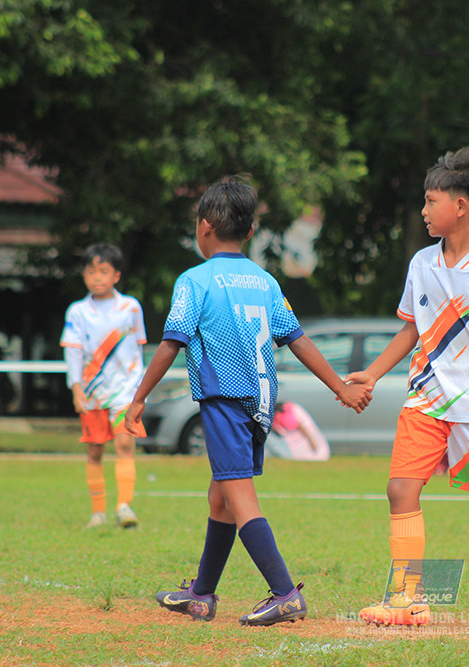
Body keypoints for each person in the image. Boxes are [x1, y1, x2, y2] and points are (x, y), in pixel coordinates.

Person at [123, 177, 371, 628]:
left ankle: (284, 593)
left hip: (224, 399)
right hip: (261, 401)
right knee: (221, 497)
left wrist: (139, 398)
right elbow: (297, 339)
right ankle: (201, 595)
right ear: (250, 232)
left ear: (203, 227)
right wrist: (340, 386)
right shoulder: (265, 281)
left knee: (239, 498)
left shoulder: (194, 280)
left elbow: (169, 344)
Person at [347, 147, 469, 634]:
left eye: (430, 201)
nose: (423, 210)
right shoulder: (421, 263)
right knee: (400, 489)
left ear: (460, 206)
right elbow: (411, 330)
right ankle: (405, 598)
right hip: (427, 395)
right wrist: (372, 373)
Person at [61, 243, 147, 530]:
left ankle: (124, 506)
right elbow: (72, 351)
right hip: (93, 392)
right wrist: (75, 388)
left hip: (125, 391)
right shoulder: (77, 311)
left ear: (116, 275)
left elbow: (138, 349)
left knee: (124, 444)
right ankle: (98, 512)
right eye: (90, 272)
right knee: (95, 451)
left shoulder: (130, 308)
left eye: (103, 271)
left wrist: (140, 391)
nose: (97, 277)